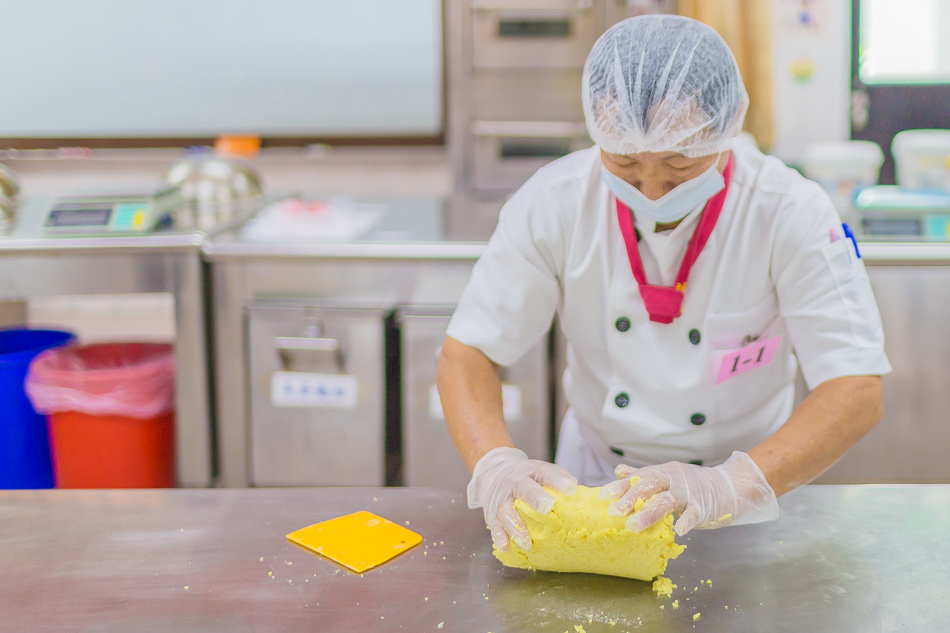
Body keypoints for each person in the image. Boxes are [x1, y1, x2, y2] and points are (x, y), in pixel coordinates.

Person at [437, 15, 890, 554]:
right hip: (595, 482)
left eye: (678, 166)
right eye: (626, 164)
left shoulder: (788, 211)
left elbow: (856, 389)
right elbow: (467, 354)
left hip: (750, 491)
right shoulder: (555, 201)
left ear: (725, 131)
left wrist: (725, 487)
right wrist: (495, 466)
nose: (651, 191)